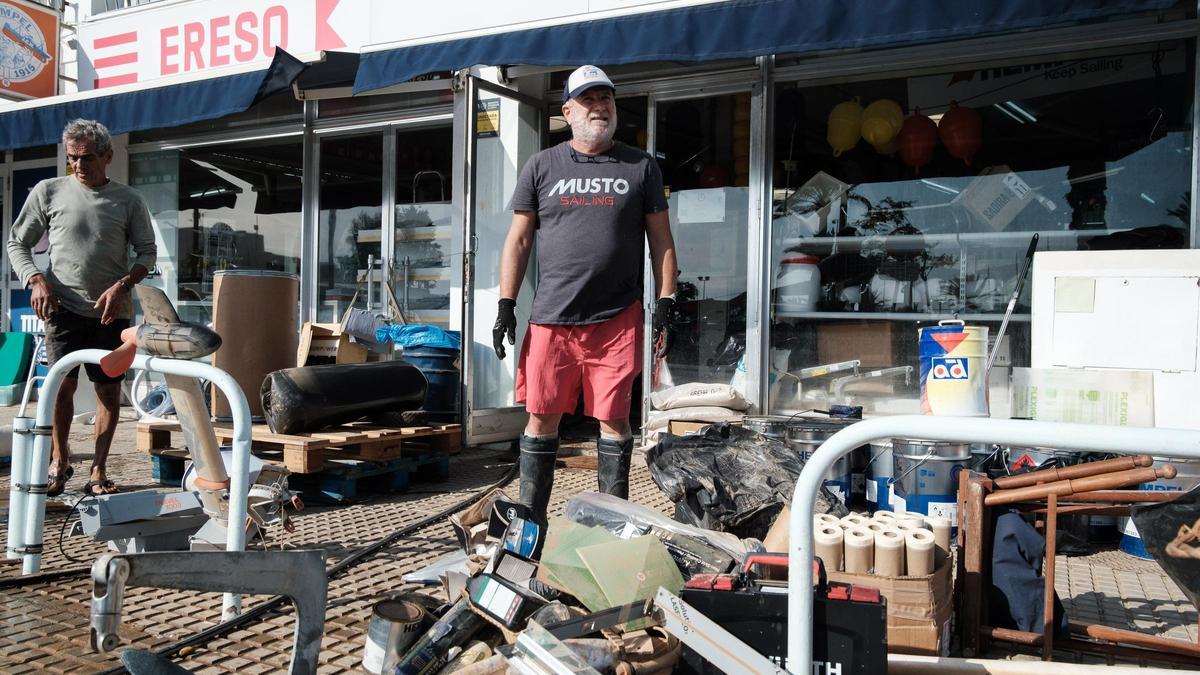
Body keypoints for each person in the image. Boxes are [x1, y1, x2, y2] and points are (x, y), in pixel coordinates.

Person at [492, 65, 679, 523]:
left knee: (614, 422)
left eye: (606, 100)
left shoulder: (641, 166)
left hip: (616, 319)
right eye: (589, 100)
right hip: (551, 319)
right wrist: (505, 305)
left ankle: (607, 530)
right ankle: (529, 529)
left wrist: (668, 300)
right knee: (541, 419)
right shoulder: (542, 166)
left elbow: (662, 240)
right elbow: (518, 240)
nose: (600, 108)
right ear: (568, 110)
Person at [6, 119, 157, 497]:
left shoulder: (128, 200)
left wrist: (124, 284)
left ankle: (99, 469)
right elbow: (16, 243)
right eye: (72, 157)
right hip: (62, 307)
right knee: (60, 389)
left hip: (112, 312)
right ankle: (60, 460)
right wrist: (36, 280)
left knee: (108, 393)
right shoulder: (48, 191)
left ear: (107, 155)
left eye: (87, 157)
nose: (78, 165)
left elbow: (148, 253)